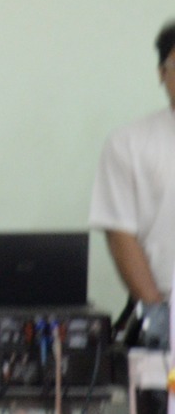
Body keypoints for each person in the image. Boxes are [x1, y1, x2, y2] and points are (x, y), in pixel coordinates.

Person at [90, 21, 175, 340]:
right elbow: (119, 232)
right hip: (166, 308)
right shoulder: (129, 143)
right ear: (161, 73)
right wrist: (156, 313)